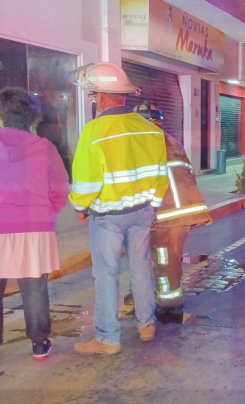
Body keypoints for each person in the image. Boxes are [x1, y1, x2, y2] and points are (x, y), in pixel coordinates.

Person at [68, 62, 169, 355]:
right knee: (141, 267)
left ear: (100, 96)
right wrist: (153, 206)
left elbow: (86, 183)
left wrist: (79, 205)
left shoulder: (94, 132)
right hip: (142, 212)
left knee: (106, 274)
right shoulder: (150, 130)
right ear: (124, 95)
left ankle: (107, 338)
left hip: (108, 217)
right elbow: (160, 175)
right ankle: (146, 324)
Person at [0, 87, 69, 360]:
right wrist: (46, 212)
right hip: (35, 226)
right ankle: (39, 343)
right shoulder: (45, 148)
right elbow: (61, 190)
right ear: (32, 117)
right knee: (34, 288)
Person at [132, 102, 212, 311]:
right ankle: (152, 293)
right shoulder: (171, 141)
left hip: (166, 213)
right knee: (168, 256)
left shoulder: (144, 143)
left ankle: (168, 301)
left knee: (163, 257)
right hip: (183, 210)